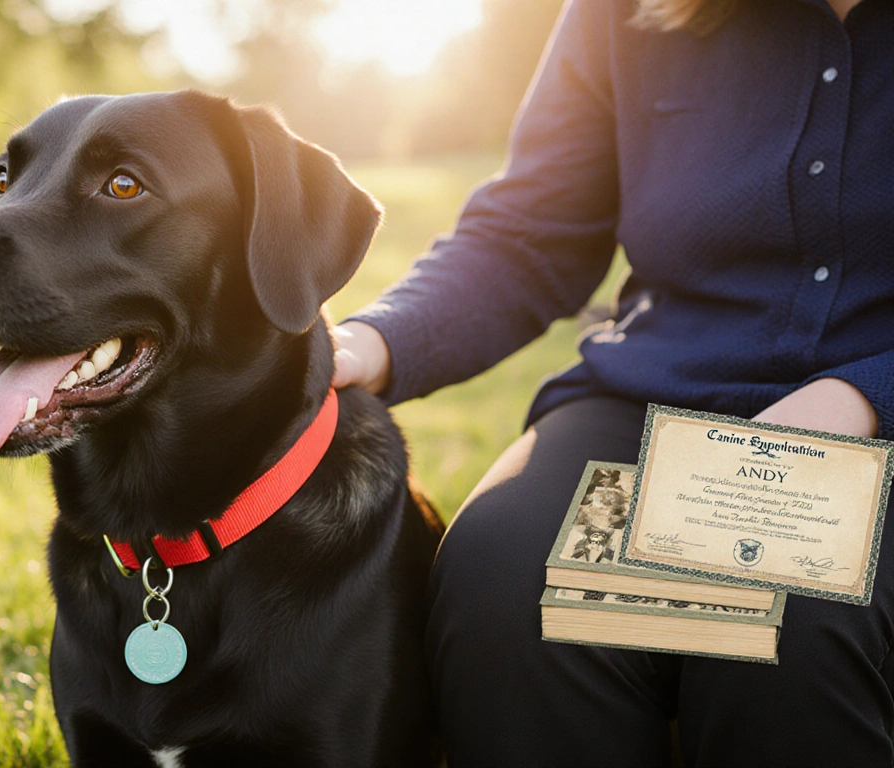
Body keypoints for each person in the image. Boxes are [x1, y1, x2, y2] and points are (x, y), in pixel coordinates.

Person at [331, 0, 892, 764]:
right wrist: (374, 339)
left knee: (792, 621)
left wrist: (865, 393)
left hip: (879, 433)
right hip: (657, 402)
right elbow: (531, 233)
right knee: (506, 582)